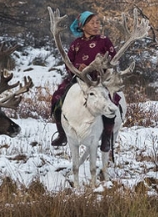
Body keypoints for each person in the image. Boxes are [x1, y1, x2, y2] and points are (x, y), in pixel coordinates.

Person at [50, 11, 117, 151]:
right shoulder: (76, 44)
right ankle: (62, 133)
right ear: (82, 26)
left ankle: (106, 136)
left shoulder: (104, 41)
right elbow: (68, 63)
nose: (96, 25)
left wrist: (101, 67)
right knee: (57, 97)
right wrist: (77, 68)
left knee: (112, 100)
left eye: (98, 22)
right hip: (78, 80)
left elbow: (113, 59)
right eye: (92, 22)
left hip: (99, 80)